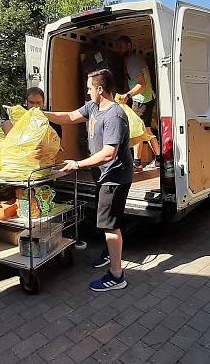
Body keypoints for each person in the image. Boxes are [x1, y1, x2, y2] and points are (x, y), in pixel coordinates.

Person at [44, 69, 131, 291]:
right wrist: (41, 114)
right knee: (106, 222)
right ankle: (108, 254)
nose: (87, 90)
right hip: (103, 175)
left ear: (100, 89)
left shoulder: (115, 115)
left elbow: (109, 153)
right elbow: (70, 117)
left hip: (114, 176)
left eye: (90, 87)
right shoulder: (93, 107)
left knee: (111, 226)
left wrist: (77, 164)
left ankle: (117, 275)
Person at [114, 36, 160, 171]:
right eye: (117, 45)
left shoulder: (132, 61)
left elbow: (142, 84)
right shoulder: (134, 59)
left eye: (121, 45)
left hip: (141, 100)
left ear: (129, 46)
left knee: (137, 130)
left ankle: (137, 162)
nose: (118, 48)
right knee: (146, 129)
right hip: (146, 98)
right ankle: (158, 158)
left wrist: (127, 95)